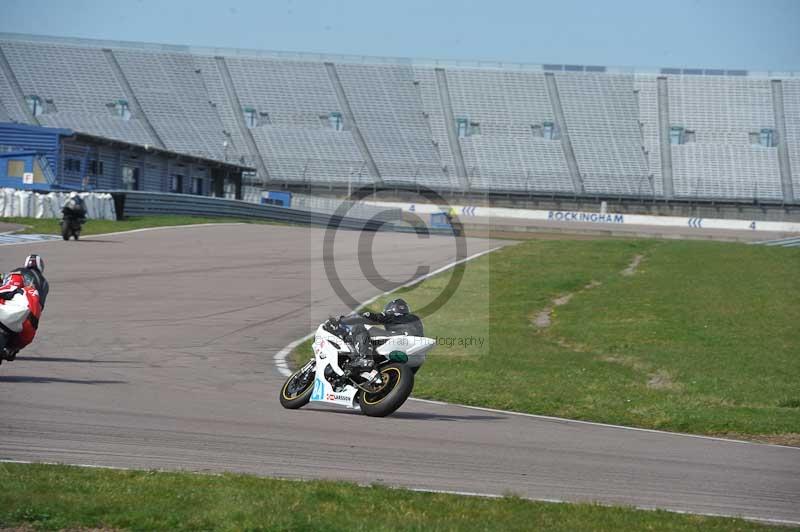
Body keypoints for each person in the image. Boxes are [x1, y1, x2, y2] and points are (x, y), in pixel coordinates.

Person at [0, 254, 48, 362]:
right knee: (30, 328)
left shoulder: (18, 271)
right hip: (25, 308)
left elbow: (4, 280)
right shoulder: (43, 282)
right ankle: (12, 349)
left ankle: (12, 348)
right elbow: (41, 304)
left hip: (12, 299)